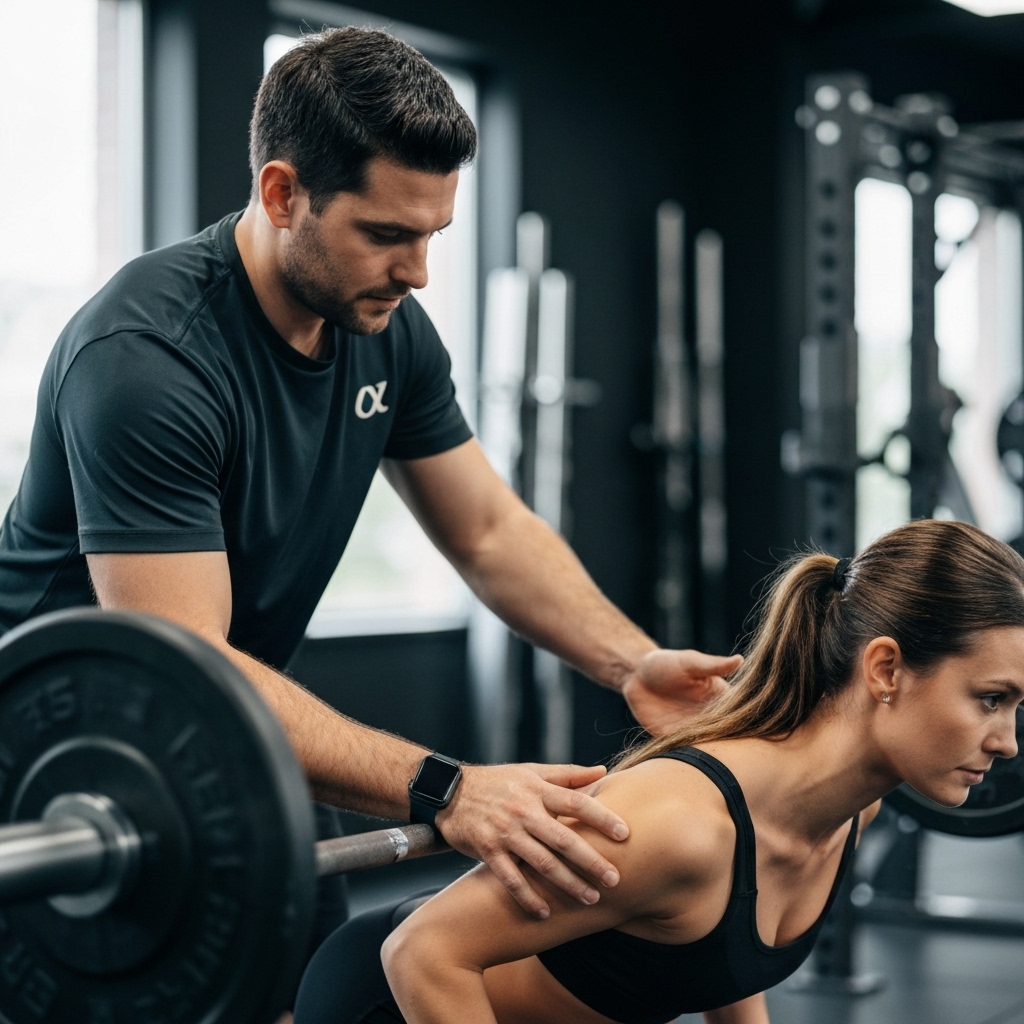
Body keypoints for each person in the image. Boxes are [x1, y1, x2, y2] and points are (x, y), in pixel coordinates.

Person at [0, 23, 739, 951]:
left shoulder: (385, 326)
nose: (418, 272)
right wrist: (450, 788)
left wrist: (630, 663)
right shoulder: (147, 360)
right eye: (387, 234)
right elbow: (190, 656)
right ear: (282, 192)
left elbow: (488, 533)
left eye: (433, 235)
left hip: (228, 728)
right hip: (57, 747)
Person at [292, 518, 1024, 1024]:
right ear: (887, 669)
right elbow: (421, 953)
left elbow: (730, 967)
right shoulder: (679, 824)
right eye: (991, 700)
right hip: (398, 1002)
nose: (1008, 742)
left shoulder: (849, 811)